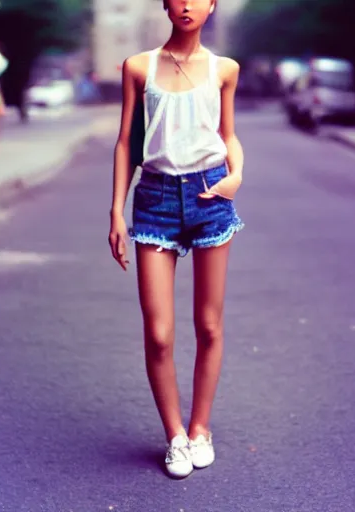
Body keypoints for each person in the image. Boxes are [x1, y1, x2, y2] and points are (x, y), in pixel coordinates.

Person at [108, 0, 244, 479]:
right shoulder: (138, 66)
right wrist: (116, 211)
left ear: (211, 6)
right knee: (159, 332)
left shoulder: (224, 70)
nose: (186, 4)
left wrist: (237, 174)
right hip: (155, 200)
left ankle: (201, 427)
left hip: (210, 196)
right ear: (165, 4)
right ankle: (176, 437)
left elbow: (228, 134)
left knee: (208, 326)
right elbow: (126, 141)